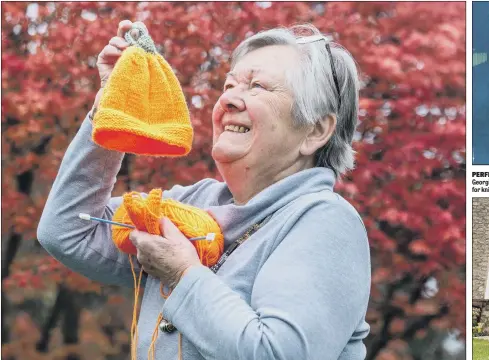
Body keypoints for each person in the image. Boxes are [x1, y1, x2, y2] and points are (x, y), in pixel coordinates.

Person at [37, 20, 371, 360]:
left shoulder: (326, 222)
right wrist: (113, 104)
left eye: (256, 86)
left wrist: (181, 274)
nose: (228, 99)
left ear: (315, 131)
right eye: (229, 84)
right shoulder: (193, 202)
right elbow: (68, 231)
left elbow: (277, 354)